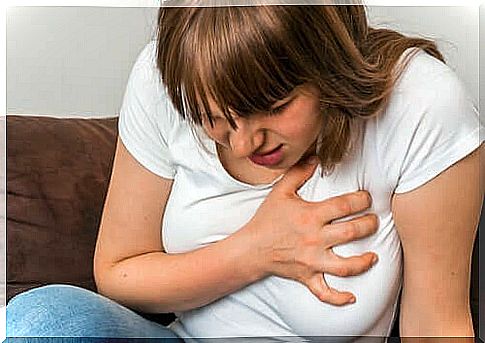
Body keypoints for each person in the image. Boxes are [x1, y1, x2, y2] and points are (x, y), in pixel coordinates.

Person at [6, 3, 483, 342]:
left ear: (329, 66)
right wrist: (255, 251)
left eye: (272, 108)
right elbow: (117, 272)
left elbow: (436, 328)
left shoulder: (421, 103)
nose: (241, 144)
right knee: (43, 317)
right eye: (214, 117)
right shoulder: (164, 76)